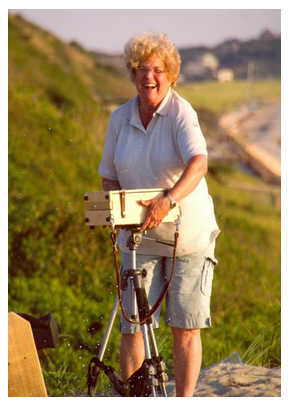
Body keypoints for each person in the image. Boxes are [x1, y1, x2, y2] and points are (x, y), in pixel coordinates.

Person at [98, 31, 220, 397]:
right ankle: (137, 400)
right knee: (132, 326)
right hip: (140, 237)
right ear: (132, 74)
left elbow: (199, 163)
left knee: (184, 327)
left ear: (170, 76)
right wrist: (118, 212)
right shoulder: (120, 118)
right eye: (141, 69)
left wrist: (169, 198)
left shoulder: (181, 113)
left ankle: (182, 402)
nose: (149, 76)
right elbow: (108, 177)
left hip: (189, 237)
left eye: (157, 70)